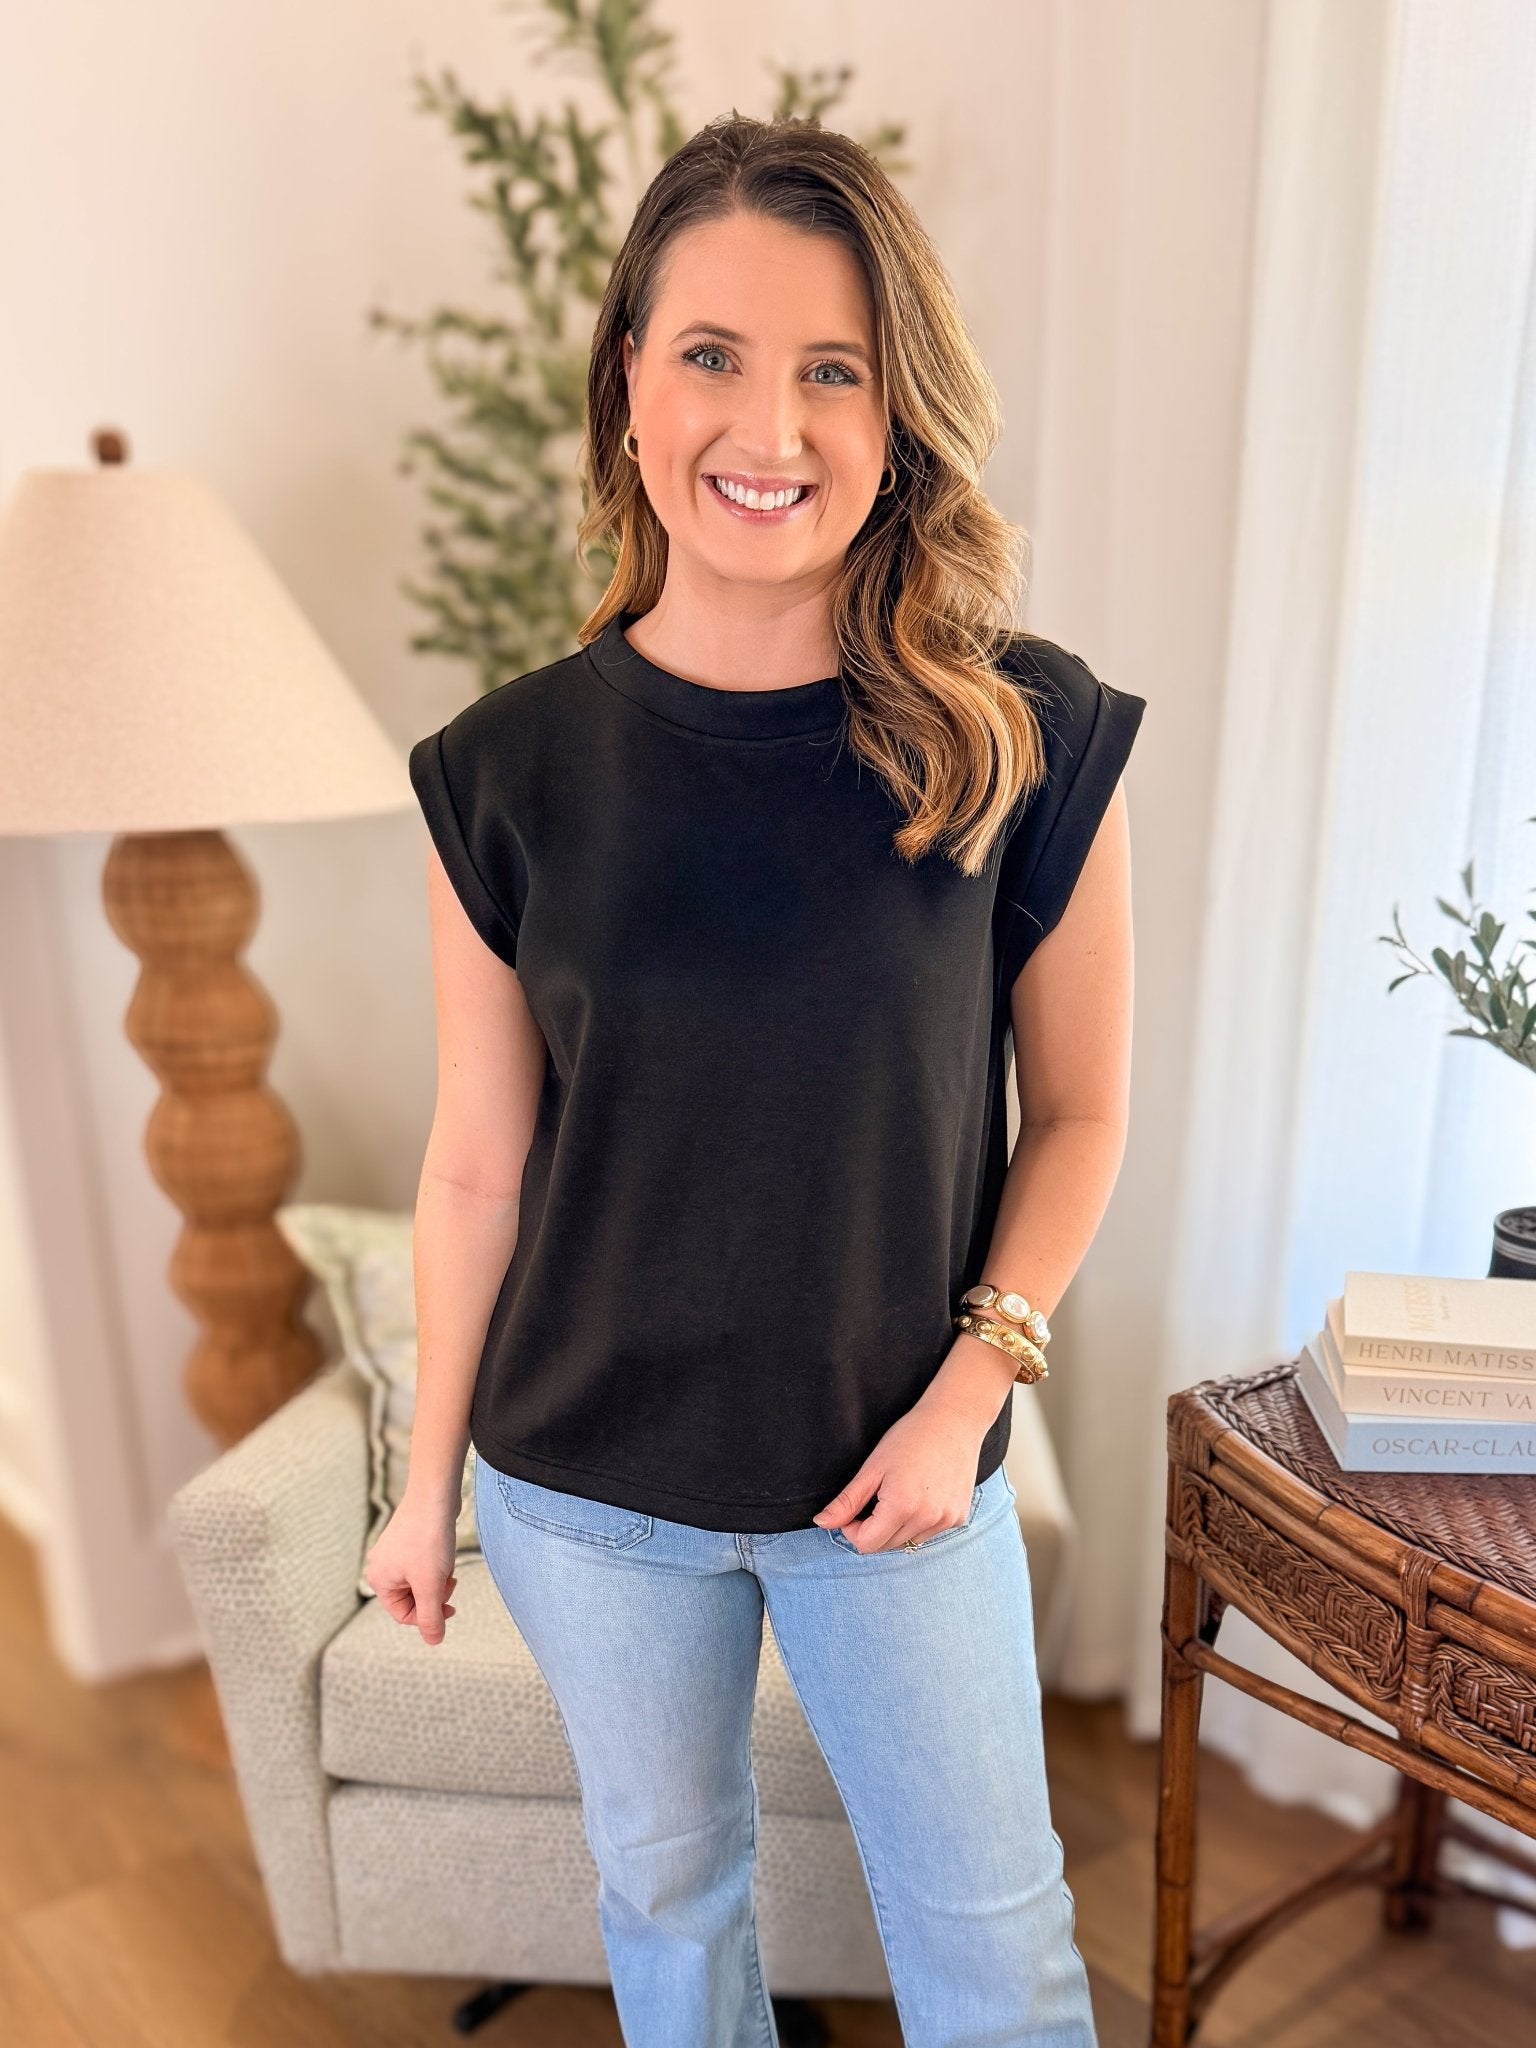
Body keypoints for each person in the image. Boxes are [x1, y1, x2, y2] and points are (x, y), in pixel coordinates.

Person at [376, 110, 1145, 2048]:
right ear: (630, 376)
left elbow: (1080, 1119)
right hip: (582, 1490)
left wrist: (969, 1395)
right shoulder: (499, 772)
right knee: (667, 1905)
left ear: (897, 414)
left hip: (901, 1480)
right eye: (713, 353)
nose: (770, 427)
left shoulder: (1019, 734)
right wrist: (422, 1488)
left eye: (834, 371)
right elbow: (477, 1166)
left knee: (997, 1962)